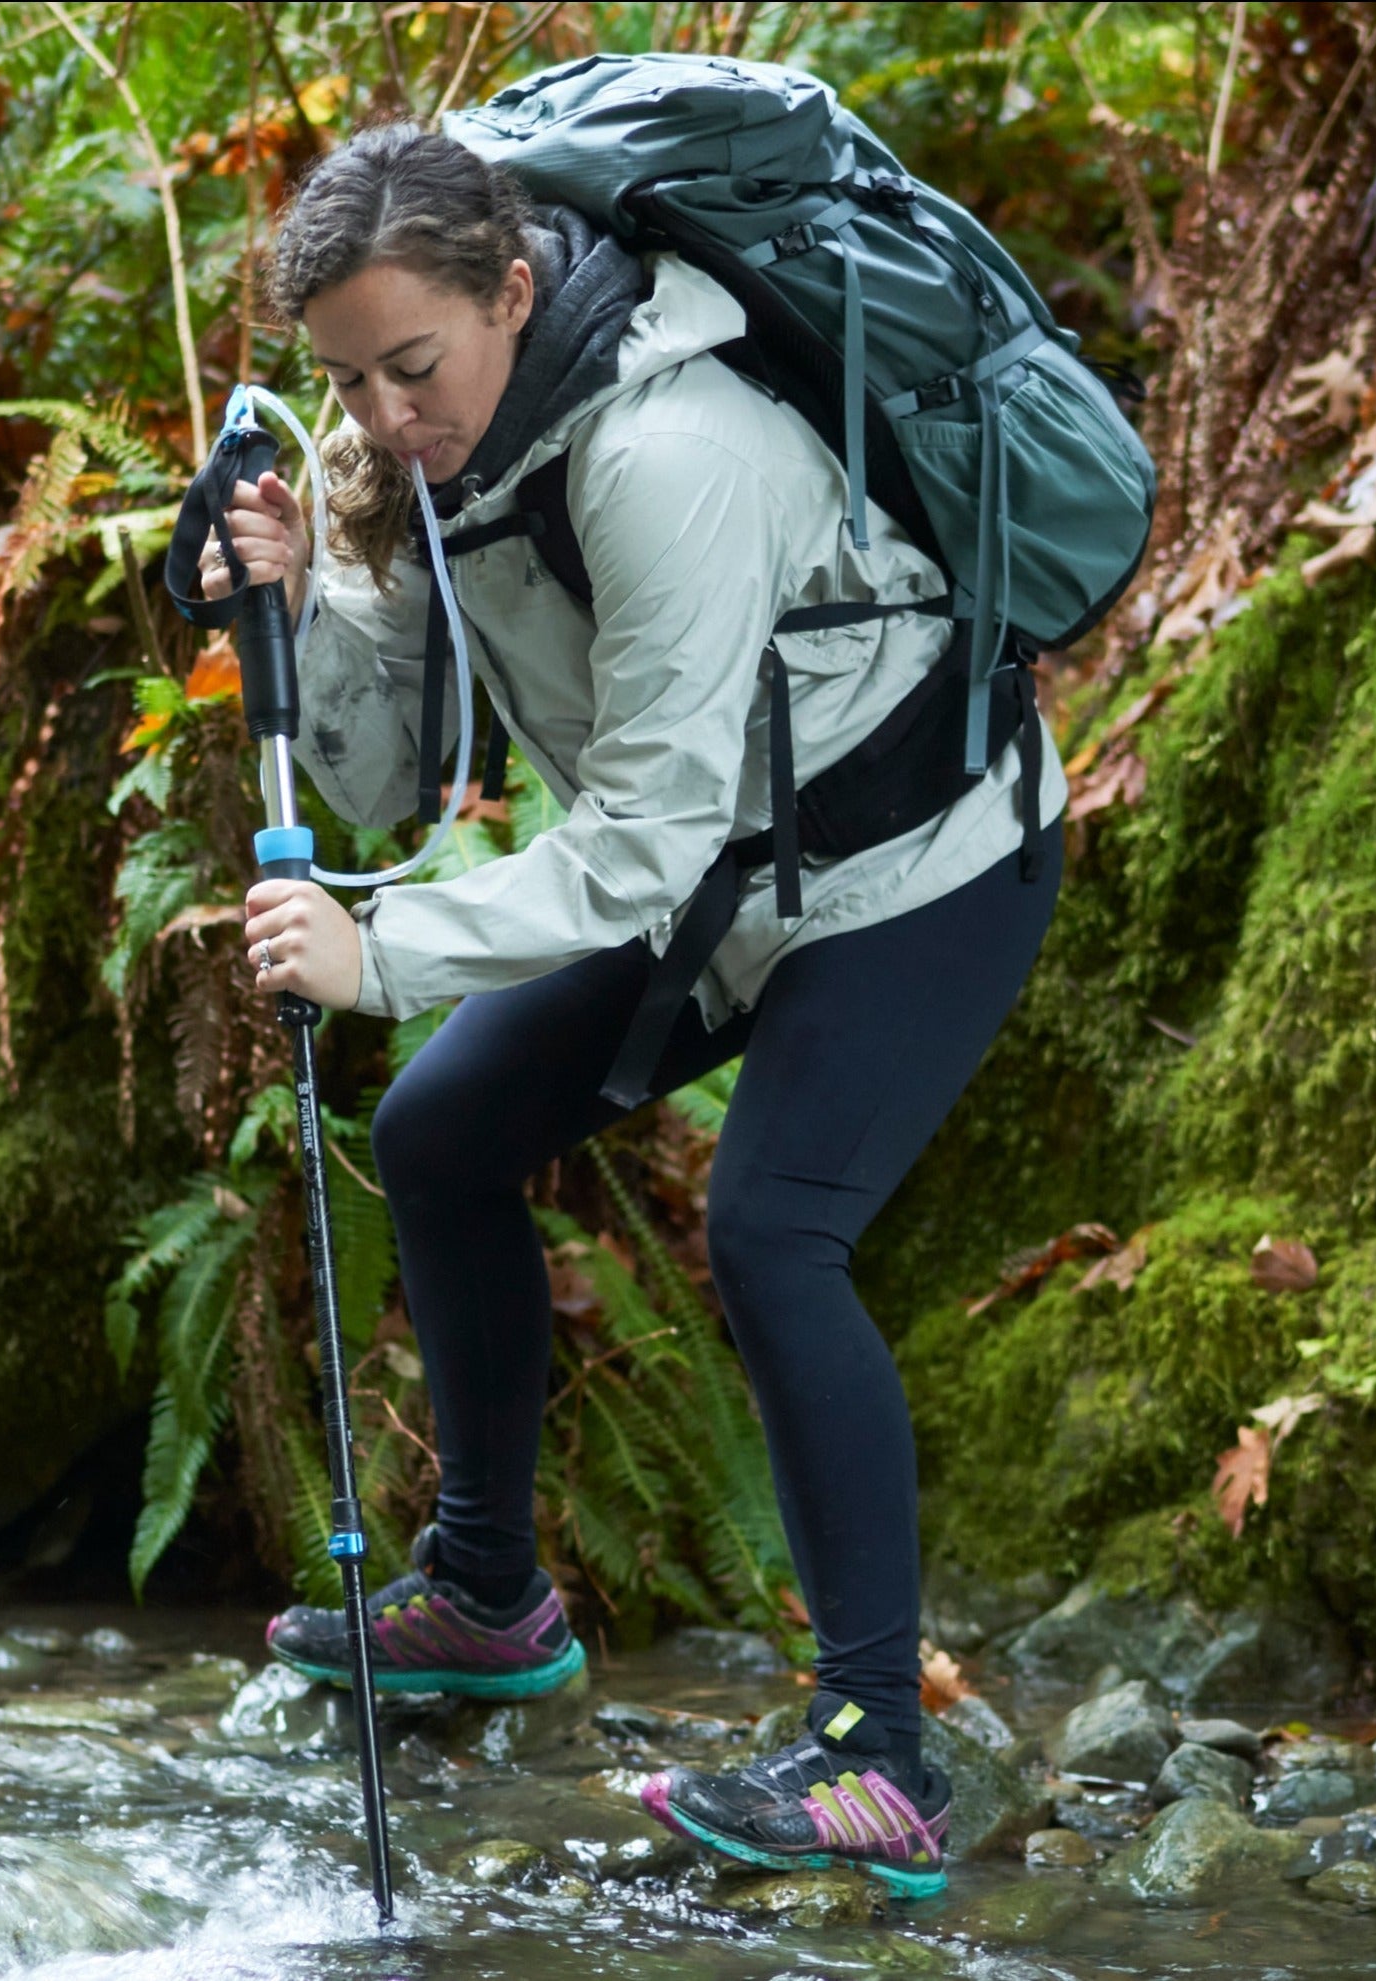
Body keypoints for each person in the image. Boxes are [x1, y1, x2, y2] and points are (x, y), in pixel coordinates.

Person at [200, 122, 1064, 1892]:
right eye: (345, 379)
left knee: (772, 1228)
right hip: (723, 877)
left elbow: (644, 838)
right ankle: (488, 1594)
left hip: (917, 863)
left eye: (410, 366)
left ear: (512, 291)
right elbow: (379, 784)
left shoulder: (672, 455)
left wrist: (383, 954)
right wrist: (289, 613)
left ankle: (877, 1755)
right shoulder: (431, 458)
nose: (380, 415)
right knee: (439, 1130)